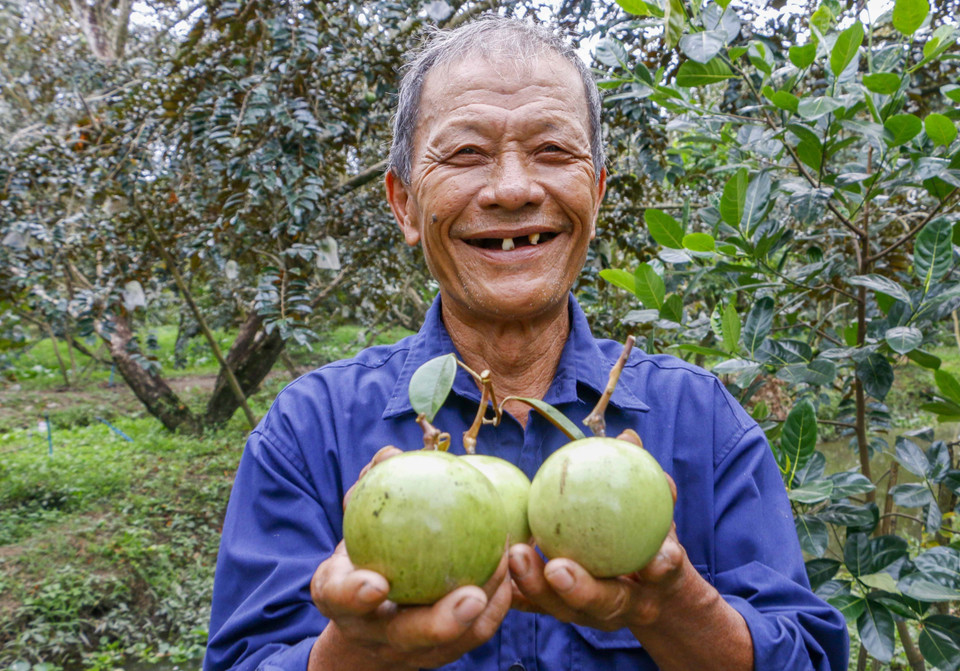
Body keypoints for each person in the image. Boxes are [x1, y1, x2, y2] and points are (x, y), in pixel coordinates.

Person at [204, 17, 849, 671]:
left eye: (551, 151)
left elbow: (808, 656)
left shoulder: (703, 424)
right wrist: (354, 654)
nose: (513, 188)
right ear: (403, 204)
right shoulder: (310, 432)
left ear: (594, 195)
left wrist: (670, 607)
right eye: (464, 155)